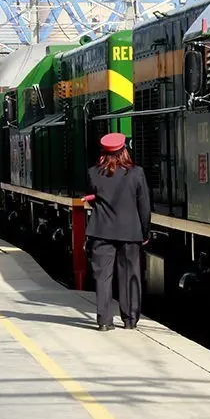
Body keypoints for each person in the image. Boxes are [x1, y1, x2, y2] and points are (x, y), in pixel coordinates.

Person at [83, 132, 151, 332]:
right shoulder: (137, 173)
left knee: (103, 277)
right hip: (130, 233)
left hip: (101, 231)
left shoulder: (93, 173)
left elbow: (92, 199)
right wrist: (145, 232)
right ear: (124, 150)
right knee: (130, 274)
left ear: (103, 152)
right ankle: (130, 320)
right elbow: (144, 206)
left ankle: (104, 321)